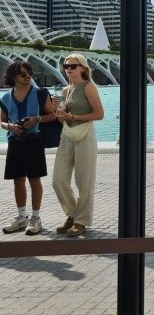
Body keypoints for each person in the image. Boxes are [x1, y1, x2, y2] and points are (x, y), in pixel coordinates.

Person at [52, 54, 104, 237]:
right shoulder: (65, 90)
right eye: (66, 66)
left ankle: (81, 221)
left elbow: (99, 114)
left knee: (84, 181)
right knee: (58, 180)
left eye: (73, 66)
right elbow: (62, 119)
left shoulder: (88, 87)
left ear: (83, 68)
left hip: (85, 135)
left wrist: (73, 116)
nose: (69, 69)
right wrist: (58, 112)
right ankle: (73, 214)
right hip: (67, 135)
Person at [0, 61, 55, 236]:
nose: (28, 76)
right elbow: (2, 121)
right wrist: (10, 126)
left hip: (34, 141)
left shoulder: (39, 93)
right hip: (15, 141)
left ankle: (36, 218)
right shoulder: (5, 98)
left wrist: (36, 119)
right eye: (23, 74)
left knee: (34, 180)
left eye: (29, 73)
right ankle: (22, 217)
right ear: (13, 77)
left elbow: (52, 115)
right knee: (18, 181)